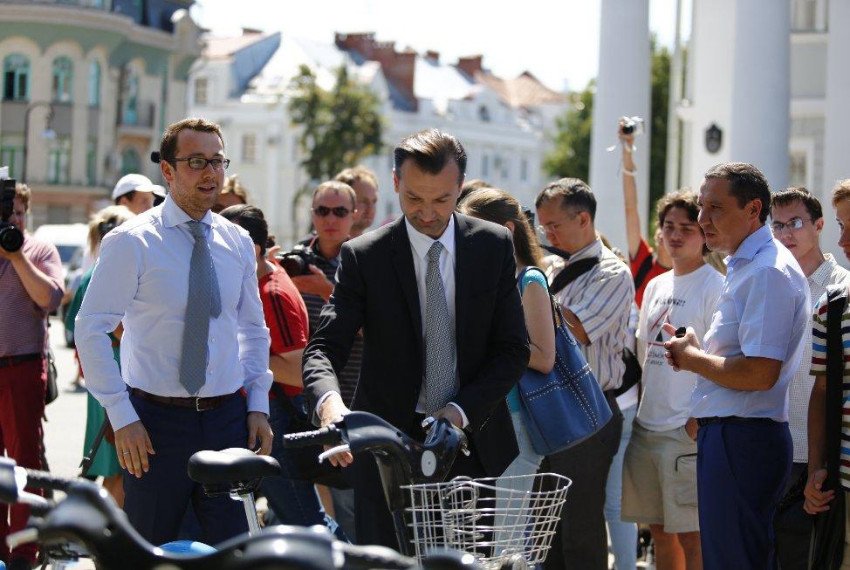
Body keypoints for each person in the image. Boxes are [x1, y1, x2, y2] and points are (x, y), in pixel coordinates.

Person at [302, 128, 529, 549]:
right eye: (414, 199)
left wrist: (459, 412)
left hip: (470, 445)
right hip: (387, 453)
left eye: (442, 200)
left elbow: (513, 349)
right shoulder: (364, 255)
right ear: (395, 184)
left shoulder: (492, 245)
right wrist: (331, 405)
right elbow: (323, 349)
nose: (427, 213)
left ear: (460, 187)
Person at [75, 118, 274, 546]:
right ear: (167, 170)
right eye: (197, 161)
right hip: (152, 427)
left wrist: (258, 404)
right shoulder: (132, 242)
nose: (211, 173)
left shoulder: (237, 241)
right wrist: (121, 414)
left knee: (231, 553)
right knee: (148, 552)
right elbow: (90, 329)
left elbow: (252, 330)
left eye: (218, 161)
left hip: (226, 422)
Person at [663, 162, 809, 570]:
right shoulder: (749, 265)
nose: (702, 220)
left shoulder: (766, 271)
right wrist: (696, 356)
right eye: (700, 207)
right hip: (734, 436)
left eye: (716, 208)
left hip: (743, 438)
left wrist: (693, 359)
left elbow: (760, 373)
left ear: (753, 209)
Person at [219, 204, 342, 536]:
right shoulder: (265, 278)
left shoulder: (271, 292)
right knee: (289, 518)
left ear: (254, 249)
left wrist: (230, 350)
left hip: (280, 421)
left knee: (306, 522)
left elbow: (299, 369)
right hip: (274, 418)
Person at [534, 177, 634, 570]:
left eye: (554, 225)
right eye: (542, 226)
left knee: (580, 523)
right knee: (546, 524)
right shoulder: (550, 266)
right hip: (548, 407)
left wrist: (530, 294)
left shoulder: (613, 272)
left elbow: (575, 329)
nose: (547, 233)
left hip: (588, 410)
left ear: (584, 219)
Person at [622, 190, 723, 570]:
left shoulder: (715, 285)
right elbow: (645, 352)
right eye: (668, 227)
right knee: (660, 533)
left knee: (693, 537)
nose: (676, 235)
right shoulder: (655, 285)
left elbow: (721, 358)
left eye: (687, 227)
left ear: (704, 234)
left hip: (685, 431)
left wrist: (698, 420)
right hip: (646, 427)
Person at [769, 187, 850, 569]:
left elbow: (824, 388)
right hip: (774, 450)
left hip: (822, 460)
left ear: (818, 226)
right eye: (778, 225)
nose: (786, 233)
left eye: (796, 223)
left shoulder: (838, 292)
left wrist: (819, 463)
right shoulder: (772, 285)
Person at [457, 188, 555, 492]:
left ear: (507, 230)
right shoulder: (490, 278)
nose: (465, 239)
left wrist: (497, 345)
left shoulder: (530, 280)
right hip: (485, 419)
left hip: (516, 424)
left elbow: (544, 357)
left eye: (473, 229)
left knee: (505, 535)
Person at [0, 182, 64, 570]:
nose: (14, 220)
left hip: (22, 366)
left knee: (24, 461)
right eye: (8, 214)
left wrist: (16, 254)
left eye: (20, 212)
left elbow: (50, 298)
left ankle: (25, 550)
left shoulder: (39, 249)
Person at [65, 205, 136, 507]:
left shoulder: (89, 275)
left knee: (113, 463)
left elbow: (72, 325)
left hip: (101, 377)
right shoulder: (109, 275)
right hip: (119, 376)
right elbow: (123, 331)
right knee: (120, 466)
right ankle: (106, 539)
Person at [804, 179, 850, 567]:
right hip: (844, 489)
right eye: (840, 226)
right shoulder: (831, 308)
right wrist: (817, 469)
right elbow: (821, 392)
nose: (843, 241)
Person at [619, 120, 672, 307]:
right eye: (664, 225)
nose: (665, 233)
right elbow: (630, 209)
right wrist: (627, 152)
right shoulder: (643, 260)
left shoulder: (691, 273)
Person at [335, 166, 379, 238]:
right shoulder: (315, 247)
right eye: (363, 201)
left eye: (374, 201)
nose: (370, 209)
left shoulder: (378, 246)